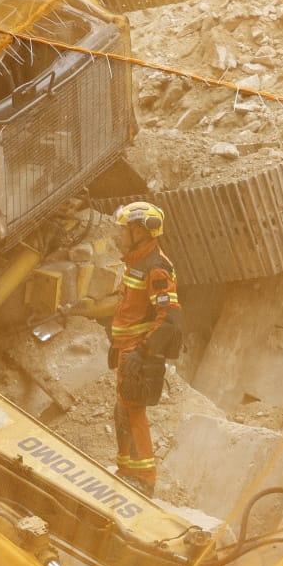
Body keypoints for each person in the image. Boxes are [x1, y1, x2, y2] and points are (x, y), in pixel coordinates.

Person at [106, 201, 182, 496]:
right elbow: (130, 309)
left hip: (139, 352)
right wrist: (117, 342)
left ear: (140, 231)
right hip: (126, 348)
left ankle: (145, 479)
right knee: (122, 411)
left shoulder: (156, 268)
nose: (120, 235)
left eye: (125, 230)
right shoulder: (136, 262)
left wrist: (142, 352)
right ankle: (126, 470)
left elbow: (169, 319)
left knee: (133, 413)